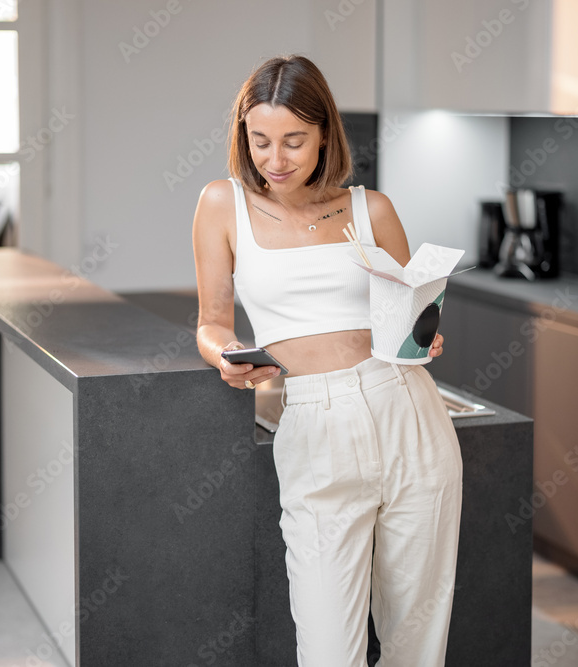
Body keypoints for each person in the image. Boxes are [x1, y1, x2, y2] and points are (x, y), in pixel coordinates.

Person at [191, 54, 462, 667]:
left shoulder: (374, 210)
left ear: (325, 135)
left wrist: (423, 337)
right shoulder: (222, 204)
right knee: (328, 651)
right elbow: (211, 321)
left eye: (294, 141)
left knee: (417, 645)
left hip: (408, 413)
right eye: (259, 141)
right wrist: (225, 355)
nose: (275, 159)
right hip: (315, 425)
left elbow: (406, 314)